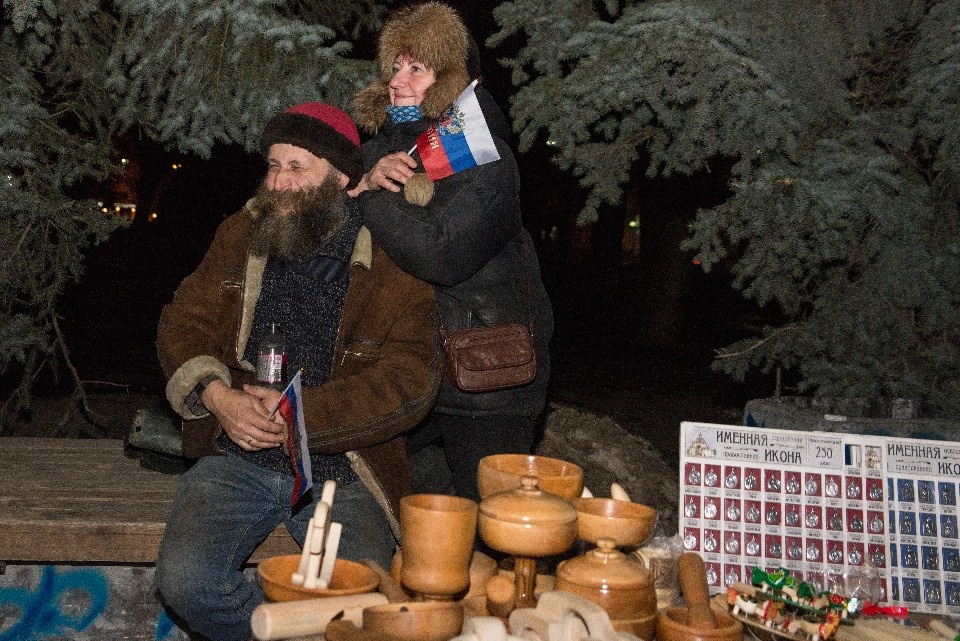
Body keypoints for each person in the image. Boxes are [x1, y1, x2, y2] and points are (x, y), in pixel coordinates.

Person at [154, 102, 442, 641]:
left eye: (296, 168)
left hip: (347, 467)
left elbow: (411, 379)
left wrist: (298, 416)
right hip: (236, 453)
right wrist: (218, 395)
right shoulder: (241, 234)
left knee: (357, 603)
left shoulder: (391, 255)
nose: (278, 182)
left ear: (339, 177)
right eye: (272, 165)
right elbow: (182, 321)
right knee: (188, 582)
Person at [351, 2, 554, 504]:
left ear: (451, 80)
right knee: (410, 533)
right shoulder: (386, 155)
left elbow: (442, 256)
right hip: (410, 376)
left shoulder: (488, 161)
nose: (399, 79)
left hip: (487, 385)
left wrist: (374, 194)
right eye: (395, 67)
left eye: (416, 67)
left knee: (496, 538)